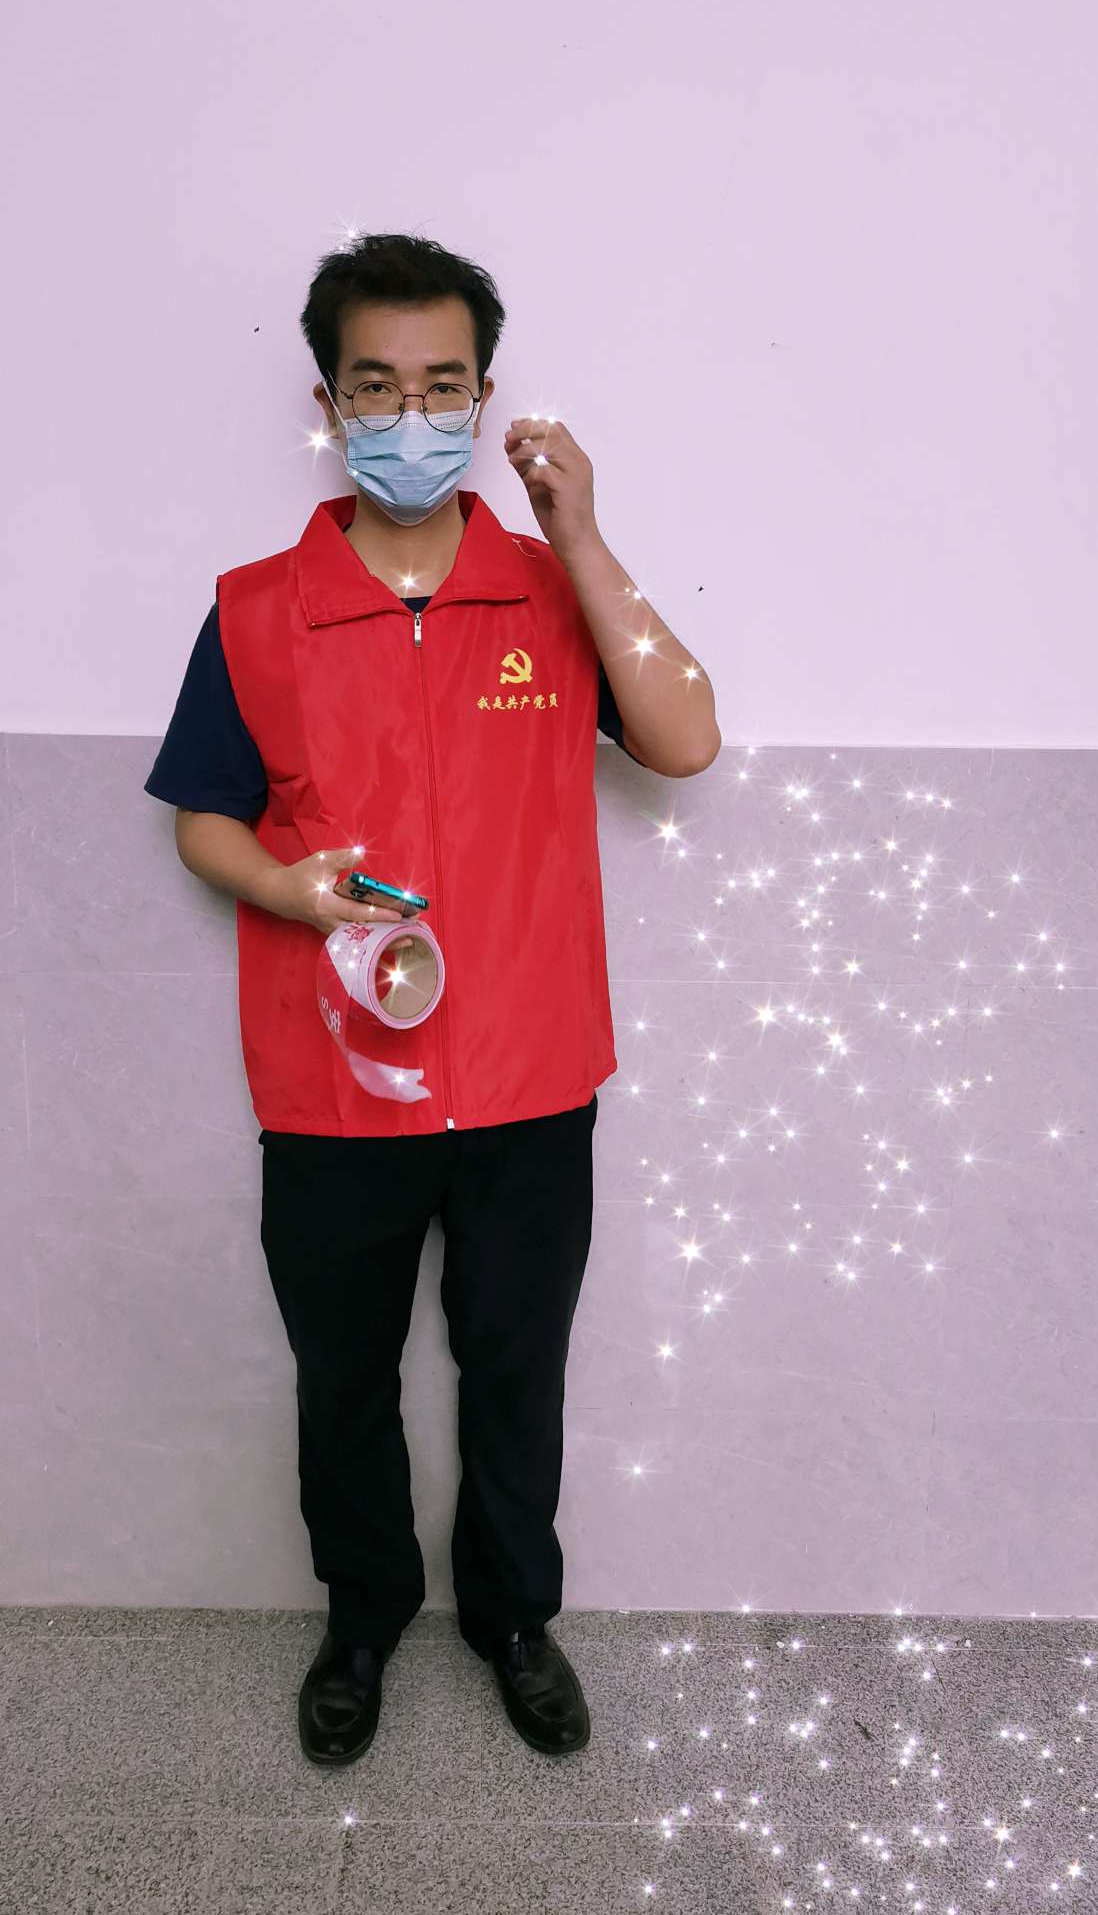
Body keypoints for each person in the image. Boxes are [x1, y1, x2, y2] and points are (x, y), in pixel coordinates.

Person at [144, 231, 721, 1766]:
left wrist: (581, 535)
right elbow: (203, 817)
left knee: (516, 1370)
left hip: (530, 1078)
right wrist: (283, 889)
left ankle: (514, 1619)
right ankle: (362, 1617)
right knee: (343, 1379)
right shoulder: (258, 612)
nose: (413, 415)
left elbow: (683, 739)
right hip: (335, 1085)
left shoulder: (548, 594)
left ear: (483, 397)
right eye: (378, 386)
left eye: (443, 385)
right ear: (330, 404)